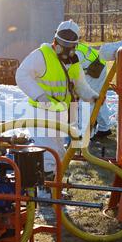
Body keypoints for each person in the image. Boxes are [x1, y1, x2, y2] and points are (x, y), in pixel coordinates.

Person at [15, 20, 99, 175]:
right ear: (55, 40)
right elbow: (21, 75)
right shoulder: (41, 55)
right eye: (61, 43)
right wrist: (40, 96)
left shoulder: (73, 62)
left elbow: (80, 85)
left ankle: (54, 189)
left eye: (69, 45)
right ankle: (44, 193)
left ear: (75, 46)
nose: (64, 49)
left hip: (60, 114)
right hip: (40, 113)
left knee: (59, 154)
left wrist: (92, 96)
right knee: (48, 155)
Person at [76, 39, 122, 139]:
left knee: (86, 101)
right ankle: (104, 128)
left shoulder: (69, 53)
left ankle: (85, 134)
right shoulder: (72, 47)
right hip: (96, 66)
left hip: (94, 69)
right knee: (97, 98)